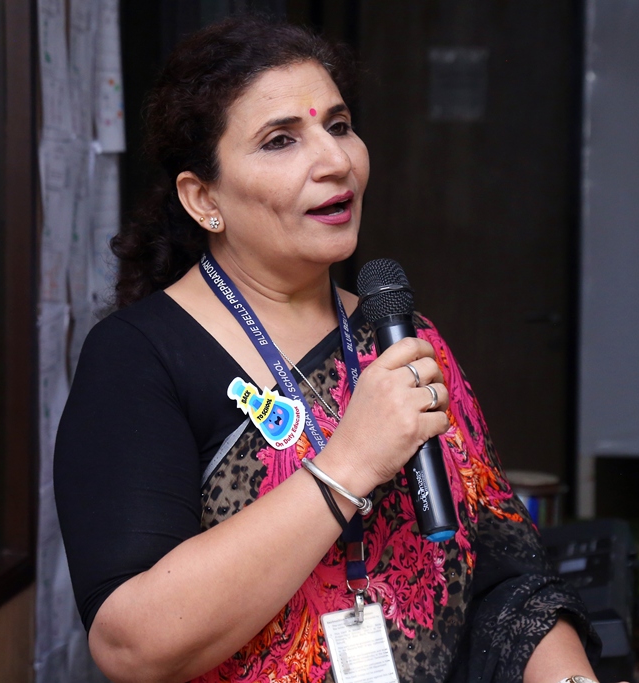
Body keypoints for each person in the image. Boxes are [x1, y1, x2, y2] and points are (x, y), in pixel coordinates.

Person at [54, 15, 603, 683]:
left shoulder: (404, 337)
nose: (336, 161)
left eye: (339, 126)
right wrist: (350, 461)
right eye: (281, 140)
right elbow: (131, 644)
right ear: (203, 197)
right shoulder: (138, 358)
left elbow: (506, 578)